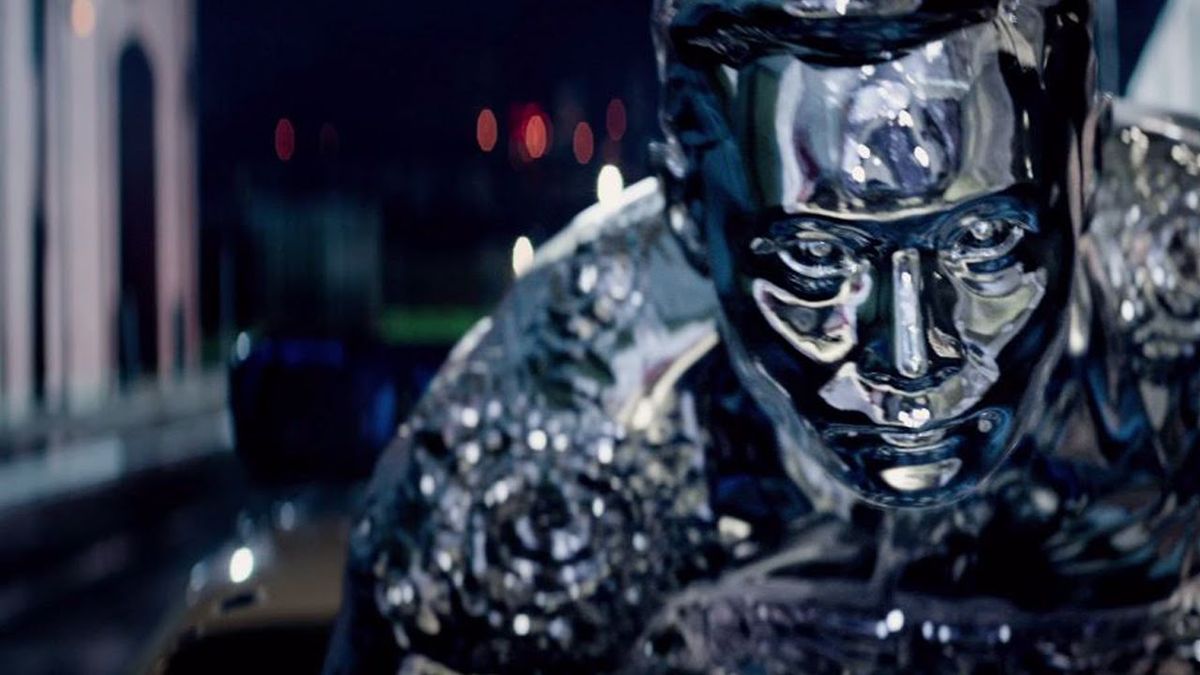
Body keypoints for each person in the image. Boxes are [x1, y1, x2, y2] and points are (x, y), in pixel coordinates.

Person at [324, 0, 1200, 671]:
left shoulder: (1182, 320)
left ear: (1091, 160)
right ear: (687, 203)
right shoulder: (556, 443)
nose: (910, 358)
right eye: (816, 260)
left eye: (984, 243)